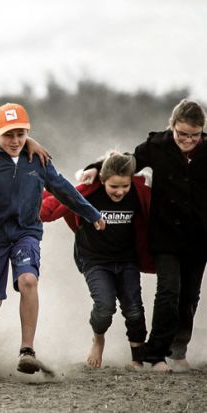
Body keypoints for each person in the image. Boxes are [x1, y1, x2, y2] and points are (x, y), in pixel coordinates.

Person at [0, 103, 105, 381]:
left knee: (28, 281)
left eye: (21, 134)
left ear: (28, 132)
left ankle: (27, 351)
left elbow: (63, 188)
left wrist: (91, 214)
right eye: (8, 135)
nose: (15, 141)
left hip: (26, 233)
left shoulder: (37, 160)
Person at [81, 99, 207, 372]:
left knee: (189, 297)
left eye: (194, 135)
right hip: (166, 235)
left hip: (199, 237)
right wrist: (95, 166)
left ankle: (178, 350)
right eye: (182, 133)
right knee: (168, 292)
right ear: (172, 127)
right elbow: (126, 162)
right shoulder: (157, 146)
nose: (188, 140)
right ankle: (155, 354)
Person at [41, 151, 153, 369]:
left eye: (125, 186)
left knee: (134, 308)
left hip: (127, 259)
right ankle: (98, 338)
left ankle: (137, 358)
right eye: (114, 187)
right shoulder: (88, 193)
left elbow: (131, 157)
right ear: (102, 181)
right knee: (104, 306)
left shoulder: (138, 193)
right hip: (95, 259)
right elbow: (53, 206)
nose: (120, 191)